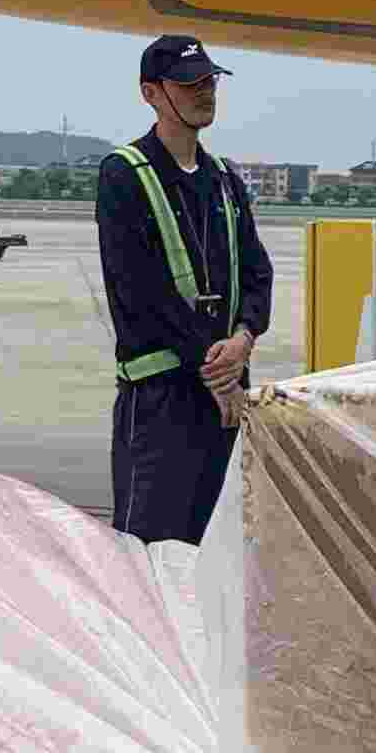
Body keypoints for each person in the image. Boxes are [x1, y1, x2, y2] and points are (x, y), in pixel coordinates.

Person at [97, 32, 273, 546]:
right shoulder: (125, 175)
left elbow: (257, 273)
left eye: (209, 80)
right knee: (151, 552)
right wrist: (216, 370)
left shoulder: (224, 180)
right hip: (162, 401)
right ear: (151, 93)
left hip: (226, 396)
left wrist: (243, 338)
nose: (204, 91)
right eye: (188, 83)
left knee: (220, 553)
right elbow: (140, 290)